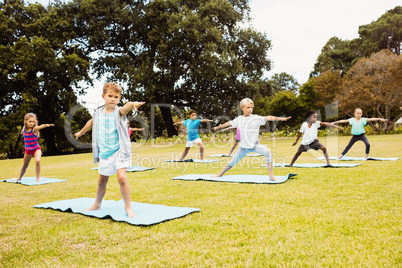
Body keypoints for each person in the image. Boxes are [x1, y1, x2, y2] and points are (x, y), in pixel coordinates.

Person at [75, 82, 145, 218]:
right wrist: (81, 132)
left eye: (116, 97)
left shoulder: (119, 112)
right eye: (110, 96)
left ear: (119, 98)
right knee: (102, 181)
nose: (113, 99)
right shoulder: (97, 113)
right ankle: (97, 204)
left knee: (122, 177)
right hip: (105, 152)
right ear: (103, 96)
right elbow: (91, 122)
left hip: (120, 150)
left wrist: (132, 104)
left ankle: (128, 208)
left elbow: (126, 107)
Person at [212, 98, 291, 181]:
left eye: (251, 107)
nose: (250, 109)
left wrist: (281, 119)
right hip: (243, 147)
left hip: (255, 145)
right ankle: (220, 174)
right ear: (242, 108)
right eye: (248, 107)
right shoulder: (239, 119)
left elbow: (268, 117)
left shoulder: (255, 118)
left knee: (267, 151)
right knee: (233, 161)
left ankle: (271, 176)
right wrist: (218, 127)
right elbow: (229, 123)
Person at [13, 113, 54, 182]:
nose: (32, 123)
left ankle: (37, 178)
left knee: (37, 161)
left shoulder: (34, 129)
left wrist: (47, 125)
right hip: (28, 150)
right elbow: (22, 133)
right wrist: (22, 132)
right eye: (30, 121)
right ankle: (19, 178)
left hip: (36, 149)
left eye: (33, 122)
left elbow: (41, 126)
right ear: (25, 121)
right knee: (25, 164)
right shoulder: (24, 129)